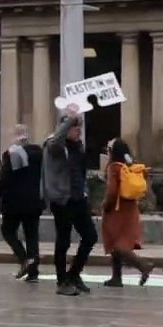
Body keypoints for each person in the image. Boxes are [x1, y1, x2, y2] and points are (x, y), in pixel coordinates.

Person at [43, 105, 96, 296]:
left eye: (79, 127)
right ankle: (61, 281)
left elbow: (81, 173)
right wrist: (69, 120)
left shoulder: (78, 147)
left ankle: (74, 274)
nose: (78, 131)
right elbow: (57, 139)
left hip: (78, 198)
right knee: (63, 241)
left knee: (90, 237)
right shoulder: (54, 145)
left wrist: (85, 192)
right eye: (75, 127)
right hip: (62, 200)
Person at [100, 139, 154, 287]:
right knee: (116, 244)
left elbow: (112, 192)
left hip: (117, 210)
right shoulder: (131, 166)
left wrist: (105, 206)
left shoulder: (114, 167)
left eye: (109, 149)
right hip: (130, 209)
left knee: (118, 245)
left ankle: (143, 265)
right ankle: (116, 277)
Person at [0, 124, 45, 281]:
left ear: (15, 136)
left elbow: (3, 179)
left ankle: (24, 259)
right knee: (32, 236)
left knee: (8, 231)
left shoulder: (10, 154)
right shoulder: (38, 153)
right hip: (34, 201)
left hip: (14, 203)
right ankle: (33, 272)